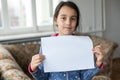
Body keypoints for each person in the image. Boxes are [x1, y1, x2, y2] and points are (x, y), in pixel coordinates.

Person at [28, 1, 105, 80]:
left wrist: (98, 63)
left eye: (73, 18)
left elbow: (84, 77)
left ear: (77, 22)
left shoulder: (83, 45)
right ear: (55, 20)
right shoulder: (47, 46)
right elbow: (43, 77)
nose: (68, 22)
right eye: (63, 18)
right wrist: (34, 68)